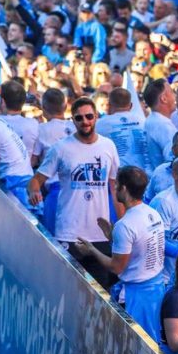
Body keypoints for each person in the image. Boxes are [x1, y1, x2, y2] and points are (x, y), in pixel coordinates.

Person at [27, 97, 124, 286]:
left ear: (96, 117)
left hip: (100, 235)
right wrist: (33, 192)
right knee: (66, 289)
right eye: (79, 118)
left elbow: (114, 188)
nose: (85, 121)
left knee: (101, 294)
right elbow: (36, 180)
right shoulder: (61, 148)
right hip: (69, 233)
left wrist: (121, 225)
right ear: (72, 120)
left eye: (89, 116)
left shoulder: (108, 146)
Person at [74, 166, 166, 341]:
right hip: (155, 289)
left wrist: (91, 250)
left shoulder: (126, 225)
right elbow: (139, 250)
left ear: (124, 188)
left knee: (141, 344)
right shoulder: (153, 213)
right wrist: (112, 237)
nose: (114, 189)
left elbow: (116, 267)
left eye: (116, 185)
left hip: (139, 296)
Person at [95, 87, 147, 168]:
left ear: (110, 105)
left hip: (118, 175)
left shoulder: (100, 124)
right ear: (131, 105)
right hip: (143, 173)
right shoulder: (143, 121)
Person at [142, 77, 178, 171]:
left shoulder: (152, 120)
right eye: (171, 92)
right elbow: (174, 159)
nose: (175, 95)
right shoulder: (163, 125)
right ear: (164, 99)